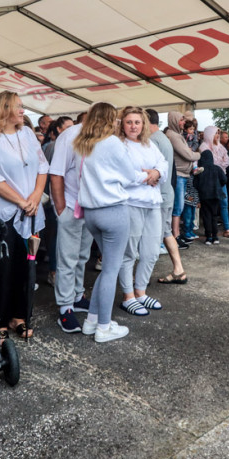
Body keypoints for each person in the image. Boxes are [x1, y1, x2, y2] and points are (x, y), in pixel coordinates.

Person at [75, 103, 158, 343]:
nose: (118, 123)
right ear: (109, 119)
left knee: (109, 267)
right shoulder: (111, 142)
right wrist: (149, 175)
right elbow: (131, 176)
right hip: (113, 211)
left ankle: (92, 321)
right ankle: (103, 327)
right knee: (111, 269)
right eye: (116, 118)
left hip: (91, 213)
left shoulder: (84, 143)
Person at [0, 92, 48, 340]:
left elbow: (42, 167)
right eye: (18, 106)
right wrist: (21, 201)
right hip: (2, 212)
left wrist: (36, 196)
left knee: (26, 266)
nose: (23, 111)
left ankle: (19, 316)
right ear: (4, 109)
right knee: (2, 267)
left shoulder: (27, 133)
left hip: (31, 211)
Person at [116, 107, 167, 316]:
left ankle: (141, 292)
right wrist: (149, 176)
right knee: (129, 252)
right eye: (129, 122)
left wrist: (155, 172)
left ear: (143, 124)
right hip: (131, 203)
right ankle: (128, 296)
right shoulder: (119, 145)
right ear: (122, 124)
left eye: (137, 122)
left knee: (151, 251)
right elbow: (124, 172)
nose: (133, 126)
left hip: (153, 203)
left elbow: (163, 164)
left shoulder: (149, 144)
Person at [48, 118, 94, 333]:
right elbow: (56, 173)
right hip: (70, 205)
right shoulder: (70, 135)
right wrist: (60, 208)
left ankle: (77, 296)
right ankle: (65, 307)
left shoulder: (103, 136)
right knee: (67, 258)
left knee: (83, 255)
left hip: (91, 206)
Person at [146, 109, 188, 285]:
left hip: (160, 194)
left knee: (154, 235)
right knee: (165, 232)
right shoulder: (163, 138)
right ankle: (179, 270)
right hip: (167, 192)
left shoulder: (153, 140)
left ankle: (142, 278)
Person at [165, 112, 201, 243]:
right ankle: (175, 236)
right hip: (179, 175)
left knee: (180, 206)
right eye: (181, 120)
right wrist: (198, 154)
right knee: (178, 207)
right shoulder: (174, 136)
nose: (183, 123)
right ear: (174, 121)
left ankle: (177, 234)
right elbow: (188, 155)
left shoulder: (178, 135)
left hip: (183, 174)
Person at [199, 126, 229, 239]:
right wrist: (217, 164)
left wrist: (217, 164)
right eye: (215, 133)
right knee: (211, 207)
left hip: (220, 178)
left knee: (224, 203)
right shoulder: (204, 147)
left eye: (218, 133)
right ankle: (210, 232)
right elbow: (209, 163)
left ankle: (227, 229)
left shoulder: (220, 146)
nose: (217, 136)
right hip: (209, 180)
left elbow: (226, 161)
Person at [195, 149, 226, 245]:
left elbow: (195, 183)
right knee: (214, 216)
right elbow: (224, 179)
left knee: (206, 216)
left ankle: (208, 237)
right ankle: (215, 237)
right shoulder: (217, 168)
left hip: (204, 196)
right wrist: (218, 186)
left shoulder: (200, 170)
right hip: (215, 195)